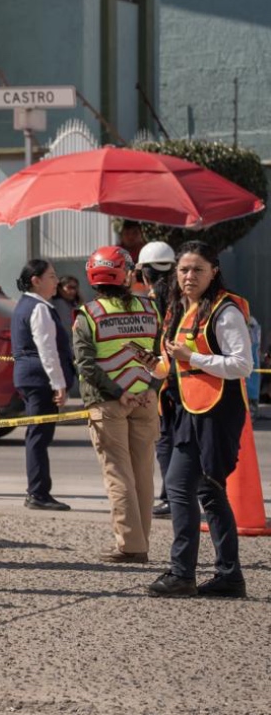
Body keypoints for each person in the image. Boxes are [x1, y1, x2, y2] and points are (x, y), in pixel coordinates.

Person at [149, 241, 252, 599]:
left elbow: (242, 365)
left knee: (195, 488)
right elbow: (171, 364)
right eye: (183, 270)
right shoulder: (178, 308)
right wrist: (153, 366)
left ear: (214, 271)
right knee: (195, 488)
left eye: (197, 270)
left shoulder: (226, 311)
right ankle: (213, 575)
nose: (189, 276)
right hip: (184, 411)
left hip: (216, 412)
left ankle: (199, 574)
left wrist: (192, 357)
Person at [72, 246, 161, 563]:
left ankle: (131, 546)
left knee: (118, 476)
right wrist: (152, 387)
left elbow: (86, 366)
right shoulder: (151, 310)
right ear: (127, 274)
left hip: (108, 404)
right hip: (146, 400)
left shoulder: (88, 316)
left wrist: (117, 391)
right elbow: (160, 357)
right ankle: (141, 542)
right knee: (143, 475)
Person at [11, 259, 75, 511]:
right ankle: (38, 493)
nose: (56, 281)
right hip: (39, 379)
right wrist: (58, 383)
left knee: (38, 436)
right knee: (38, 437)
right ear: (36, 280)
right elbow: (47, 349)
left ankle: (38, 491)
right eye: (51, 276)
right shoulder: (38, 308)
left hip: (31, 377)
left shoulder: (29, 305)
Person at [137, 240, 178, 519]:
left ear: (144, 274)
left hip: (160, 380)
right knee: (180, 440)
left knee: (164, 441)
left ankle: (171, 497)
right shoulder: (183, 299)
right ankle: (179, 494)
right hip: (185, 378)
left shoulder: (150, 303)